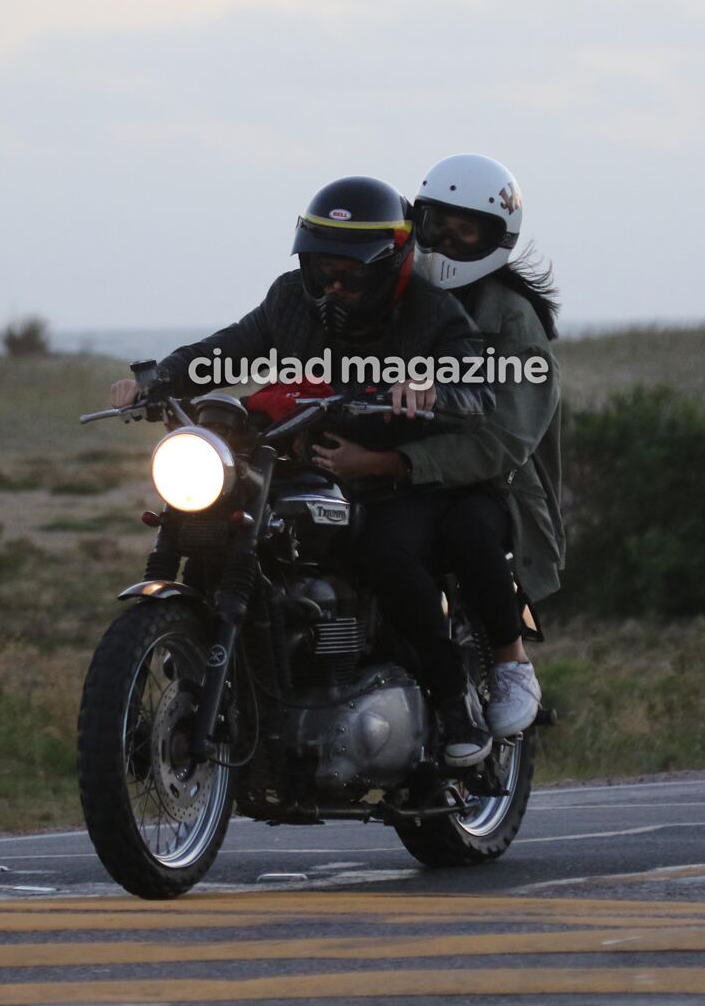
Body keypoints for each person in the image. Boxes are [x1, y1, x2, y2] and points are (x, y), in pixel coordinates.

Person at [106, 175, 502, 766]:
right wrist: (156, 379)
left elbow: (480, 383)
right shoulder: (292, 300)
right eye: (322, 269)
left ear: (391, 261)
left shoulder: (430, 310)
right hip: (303, 459)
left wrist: (430, 387)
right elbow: (231, 348)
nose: (333, 285)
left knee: (383, 556)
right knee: (219, 521)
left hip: (391, 475)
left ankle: (452, 701)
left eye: (350, 273)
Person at [311, 153, 563, 743]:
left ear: (495, 239)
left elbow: (505, 440)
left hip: (492, 484)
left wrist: (388, 461)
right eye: (437, 224)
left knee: (469, 534)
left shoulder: (512, 322)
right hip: (407, 480)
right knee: (351, 540)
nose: (447, 240)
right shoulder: (394, 291)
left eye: (466, 229)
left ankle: (509, 663)